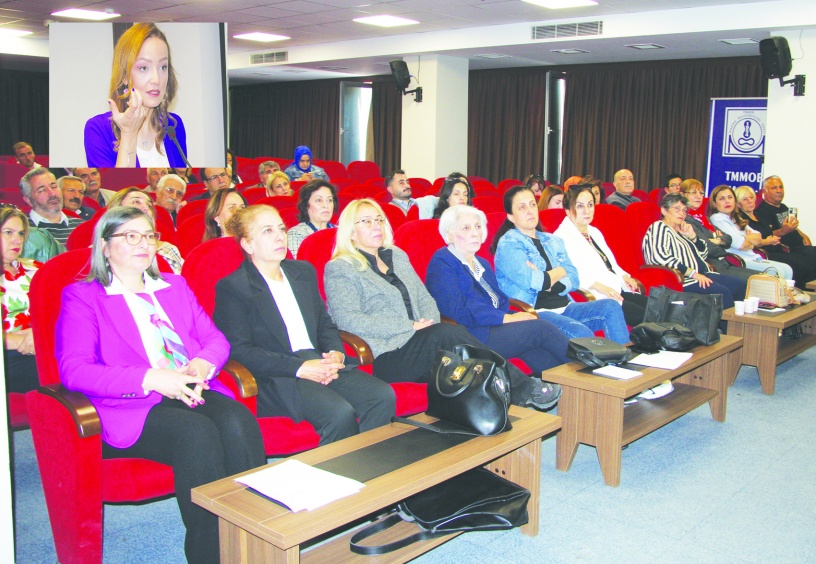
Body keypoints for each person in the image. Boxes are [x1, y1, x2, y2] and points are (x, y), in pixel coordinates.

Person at [56, 206, 265, 564]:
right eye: (130, 236)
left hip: (191, 388)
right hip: (130, 405)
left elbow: (215, 339)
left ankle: (257, 534)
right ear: (104, 247)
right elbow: (74, 371)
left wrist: (202, 363)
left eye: (149, 235)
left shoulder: (175, 286)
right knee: (195, 433)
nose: (143, 244)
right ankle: (209, 553)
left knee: (238, 421)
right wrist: (150, 378)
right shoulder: (84, 297)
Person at [324, 198, 561, 411]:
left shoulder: (396, 255)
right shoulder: (340, 268)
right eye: (366, 221)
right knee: (451, 335)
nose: (376, 225)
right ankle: (523, 388)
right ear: (351, 232)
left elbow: (425, 297)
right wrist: (410, 326)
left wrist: (427, 323)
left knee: (465, 366)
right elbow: (349, 320)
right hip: (387, 353)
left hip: (422, 338)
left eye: (379, 219)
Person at [213, 205, 394, 444]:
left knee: (381, 396)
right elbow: (240, 350)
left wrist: (335, 353)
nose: (279, 236)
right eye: (267, 231)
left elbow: (324, 323)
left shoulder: (302, 271)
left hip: (319, 360)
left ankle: (370, 466)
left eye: (281, 228)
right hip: (280, 375)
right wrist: (300, 368)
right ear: (247, 245)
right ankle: (337, 477)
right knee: (339, 414)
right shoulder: (234, 287)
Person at [426, 205, 571, 385]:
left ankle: (568, 394)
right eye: (466, 228)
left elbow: (499, 301)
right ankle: (587, 373)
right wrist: (505, 318)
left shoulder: (482, 263)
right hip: (471, 333)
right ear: (449, 235)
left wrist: (512, 317)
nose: (475, 233)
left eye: (478, 226)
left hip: (493, 325)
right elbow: (457, 307)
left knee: (538, 347)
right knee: (541, 329)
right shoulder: (442, 262)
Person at [492, 186, 630, 343]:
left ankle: (622, 364)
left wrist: (550, 277)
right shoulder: (508, 245)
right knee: (581, 332)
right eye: (522, 207)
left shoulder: (553, 240)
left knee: (611, 307)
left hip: (566, 306)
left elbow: (574, 278)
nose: (530, 211)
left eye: (532, 204)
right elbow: (535, 282)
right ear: (511, 216)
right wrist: (559, 272)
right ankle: (604, 364)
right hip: (536, 312)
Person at [84, 24, 187, 168]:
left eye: (163, 67)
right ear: (125, 76)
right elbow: (118, 188)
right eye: (144, 68)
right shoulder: (98, 129)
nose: (156, 79)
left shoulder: (174, 125)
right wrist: (128, 133)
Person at [553, 184, 648, 326]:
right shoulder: (560, 238)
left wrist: (624, 276)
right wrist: (598, 286)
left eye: (590, 205)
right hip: (597, 295)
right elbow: (569, 274)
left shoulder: (594, 231)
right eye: (580, 206)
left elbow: (610, 263)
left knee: (654, 308)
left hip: (615, 288)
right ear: (567, 210)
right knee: (645, 317)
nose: (587, 211)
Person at [642, 192, 745, 313]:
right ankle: (726, 329)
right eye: (677, 209)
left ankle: (738, 326)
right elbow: (659, 257)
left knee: (738, 285)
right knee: (723, 292)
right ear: (664, 211)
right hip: (681, 280)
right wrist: (693, 274)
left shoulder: (681, 231)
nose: (681, 213)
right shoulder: (659, 227)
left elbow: (703, 254)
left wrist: (693, 238)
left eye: (684, 210)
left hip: (703, 274)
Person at [734, 185, 816, 289]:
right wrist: (769, 240)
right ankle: (800, 291)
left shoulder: (759, 215)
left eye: (751, 197)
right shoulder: (741, 219)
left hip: (777, 248)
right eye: (745, 199)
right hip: (764, 253)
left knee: (808, 260)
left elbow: (770, 232)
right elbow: (752, 240)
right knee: (799, 265)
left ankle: (811, 291)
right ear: (738, 204)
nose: (750, 201)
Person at [707, 185, 793, 279]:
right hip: (739, 260)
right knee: (778, 271)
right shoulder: (717, 218)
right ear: (715, 203)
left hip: (753, 256)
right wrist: (747, 239)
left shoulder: (736, 218)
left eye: (730, 197)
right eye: (722, 199)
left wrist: (744, 239)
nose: (727, 201)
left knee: (787, 269)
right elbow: (741, 245)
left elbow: (759, 239)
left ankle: (782, 294)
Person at [679, 180, 754, 285]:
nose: (698, 196)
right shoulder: (684, 220)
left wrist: (717, 241)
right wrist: (720, 242)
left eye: (701, 193)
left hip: (724, 264)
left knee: (763, 277)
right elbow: (707, 247)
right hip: (711, 267)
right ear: (682, 195)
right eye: (693, 193)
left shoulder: (704, 218)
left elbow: (728, 239)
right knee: (755, 281)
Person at [1, 205, 41, 393]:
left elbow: (61, 311)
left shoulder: (37, 269)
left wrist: (40, 335)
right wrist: (16, 341)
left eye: (21, 234)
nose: (17, 240)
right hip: (6, 355)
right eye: (8, 232)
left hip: (41, 346)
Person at [107, 188, 184, 274]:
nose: (145, 208)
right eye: (136, 202)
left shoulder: (167, 251)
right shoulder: (100, 250)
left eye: (149, 205)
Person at [754, 175, 816, 261]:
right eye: (774, 188)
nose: (779, 191)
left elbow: (792, 227)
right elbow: (765, 236)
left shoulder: (783, 207)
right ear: (765, 191)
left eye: (781, 187)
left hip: (800, 246)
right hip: (787, 250)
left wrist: (804, 236)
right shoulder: (761, 211)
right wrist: (783, 231)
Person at [20, 168, 83, 246]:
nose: (52, 193)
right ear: (28, 200)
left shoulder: (81, 227)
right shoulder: (20, 228)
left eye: (54, 187)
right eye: (42, 190)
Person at [287, 180, 337, 257]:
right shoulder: (296, 234)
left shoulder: (341, 232)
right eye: (318, 200)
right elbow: (297, 267)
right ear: (306, 205)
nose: (326, 205)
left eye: (329, 200)